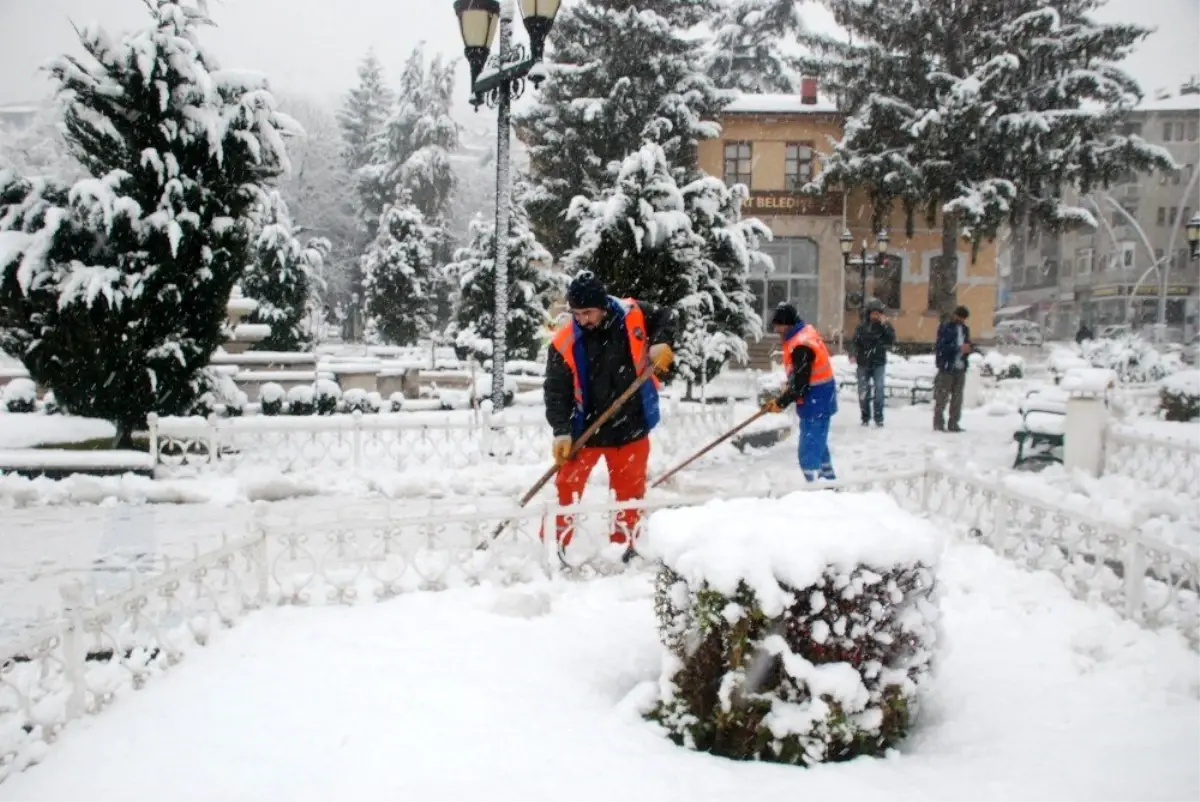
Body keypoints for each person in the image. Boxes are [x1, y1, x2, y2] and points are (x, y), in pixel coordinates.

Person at [542, 271, 676, 555]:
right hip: (585, 428)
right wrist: (561, 431)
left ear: (602, 306)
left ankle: (625, 547)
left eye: (587, 313)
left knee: (628, 494)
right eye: (576, 313)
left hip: (631, 423)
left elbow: (668, 316)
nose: (581, 320)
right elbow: (556, 392)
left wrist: (662, 341)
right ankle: (553, 548)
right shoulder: (563, 343)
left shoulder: (634, 314)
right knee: (566, 489)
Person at [764, 303, 838, 482]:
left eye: (778, 325)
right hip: (820, 400)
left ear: (787, 324)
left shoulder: (801, 345)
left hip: (816, 402)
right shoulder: (803, 334)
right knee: (819, 450)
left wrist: (780, 403)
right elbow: (800, 377)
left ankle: (815, 492)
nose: (776, 329)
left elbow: (800, 384)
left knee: (808, 454)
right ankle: (829, 487)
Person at [851, 298, 896, 427]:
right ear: (869, 314)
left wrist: (885, 325)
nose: (875, 316)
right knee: (863, 391)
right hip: (863, 362)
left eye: (878, 313)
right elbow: (855, 342)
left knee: (879, 389)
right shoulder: (862, 327)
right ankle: (865, 416)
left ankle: (878, 416)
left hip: (879, 362)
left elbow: (891, 340)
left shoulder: (884, 327)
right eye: (873, 313)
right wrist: (853, 354)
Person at [933, 305, 974, 433]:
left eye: (963, 318)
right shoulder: (946, 328)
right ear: (955, 315)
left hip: (960, 366)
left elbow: (967, 343)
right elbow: (941, 347)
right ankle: (938, 423)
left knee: (957, 397)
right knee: (943, 396)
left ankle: (954, 422)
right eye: (960, 317)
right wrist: (957, 348)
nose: (961, 320)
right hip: (947, 366)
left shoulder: (965, 329)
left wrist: (969, 348)